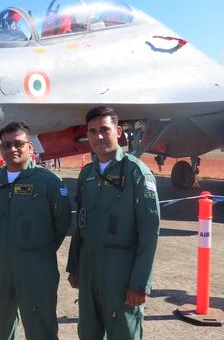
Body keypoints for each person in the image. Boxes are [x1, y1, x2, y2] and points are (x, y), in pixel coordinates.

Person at [66, 106, 160, 340]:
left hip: (121, 273)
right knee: (88, 332)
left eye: (105, 130)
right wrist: (75, 267)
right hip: (89, 272)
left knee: (123, 334)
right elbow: (80, 224)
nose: (99, 136)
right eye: (93, 131)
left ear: (118, 131)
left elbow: (149, 233)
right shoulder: (86, 174)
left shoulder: (136, 172)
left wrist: (140, 284)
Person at [0, 121, 72, 340]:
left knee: (41, 323)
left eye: (18, 144)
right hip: (1, 263)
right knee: (1, 322)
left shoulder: (48, 181)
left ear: (30, 147)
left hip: (37, 264)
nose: (12, 149)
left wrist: (39, 249)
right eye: (6, 145)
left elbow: (62, 221)